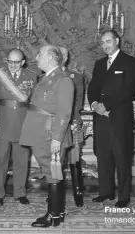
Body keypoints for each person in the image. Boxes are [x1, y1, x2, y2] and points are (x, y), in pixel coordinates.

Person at [19, 45, 74, 228]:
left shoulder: (63, 79)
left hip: (49, 135)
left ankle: (53, 214)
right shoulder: (47, 77)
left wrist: (57, 138)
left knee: (53, 174)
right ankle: (58, 212)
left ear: (50, 57)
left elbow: (64, 112)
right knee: (51, 174)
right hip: (40, 133)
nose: (36, 57)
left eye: (40, 54)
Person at [87, 30, 135, 208]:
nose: (105, 46)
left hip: (119, 117)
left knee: (122, 157)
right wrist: (95, 104)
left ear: (117, 41)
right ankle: (105, 191)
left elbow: (129, 89)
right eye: (102, 43)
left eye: (108, 42)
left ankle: (124, 196)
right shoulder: (99, 64)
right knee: (103, 155)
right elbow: (93, 87)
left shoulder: (130, 62)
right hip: (101, 117)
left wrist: (107, 105)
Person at [0, 49, 37, 206]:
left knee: (22, 160)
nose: (13, 65)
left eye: (17, 62)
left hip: (23, 123)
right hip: (2, 122)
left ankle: (20, 192)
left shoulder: (31, 76)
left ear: (23, 62)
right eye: (10, 62)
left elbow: (34, 101)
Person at [59, 47, 86, 207]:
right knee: (56, 159)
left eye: (63, 55)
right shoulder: (46, 76)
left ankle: (78, 191)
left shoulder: (75, 76)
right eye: (58, 55)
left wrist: (72, 121)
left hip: (72, 122)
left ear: (67, 57)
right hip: (54, 124)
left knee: (74, 159)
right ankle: (55, 192)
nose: (61, 57)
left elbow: (78, 101)